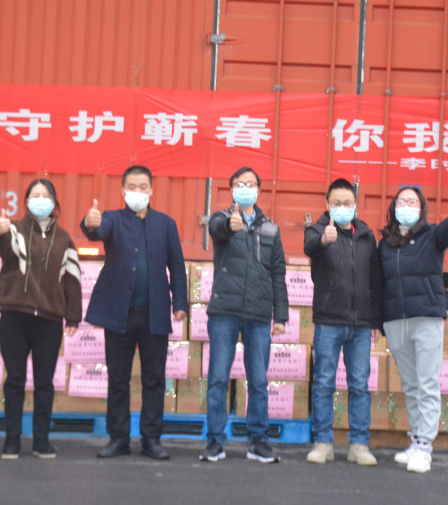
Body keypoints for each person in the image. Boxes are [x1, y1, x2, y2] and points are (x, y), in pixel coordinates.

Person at [81, 165, 188, 460]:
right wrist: (90, 223)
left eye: (143, 187)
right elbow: (96, 231)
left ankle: (151, 439)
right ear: (123, 191)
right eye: (132, 187)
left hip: (154, 315)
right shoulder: (112, 219)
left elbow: (177, 266)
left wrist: (180, 303)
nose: (137, 192)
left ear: (151, 190)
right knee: (118, 380)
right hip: (120, 314)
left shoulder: (166, 224)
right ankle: (118, 439)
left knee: (154, 380)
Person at [378, 186, 448, 474]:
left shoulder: (432, 236)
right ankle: (416, 439)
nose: (406, 206)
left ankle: (425, 446)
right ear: (393, 207)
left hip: (426, 319)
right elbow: (379, 283)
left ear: (421, 208)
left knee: (427, 383)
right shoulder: (385, 243)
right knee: (410, 385)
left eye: (412, 202)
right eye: (401, 201)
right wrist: (378, 321)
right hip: (395, 321)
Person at [0, 179, 82, 460]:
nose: (40, 200)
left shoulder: (64, 238)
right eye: (35, 195)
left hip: (49, 321)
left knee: (44, 382)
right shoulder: (14, 229)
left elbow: (72, 278)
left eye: (46, 195)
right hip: (14, 317)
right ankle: (12, 440)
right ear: (27, 201)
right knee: (15, 379)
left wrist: (73, 316)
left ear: (54, 202)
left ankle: (42, 441)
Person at [201, 167, 288, 464]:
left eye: (251, 184)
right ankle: (215, 440)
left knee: (259, 380)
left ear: (259, 190)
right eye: (240, 184)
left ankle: (258, 440)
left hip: (259, 314)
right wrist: (230, 225)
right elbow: (217, 230)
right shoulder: (222, 218)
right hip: (224, 311)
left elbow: (278, 273)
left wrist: (281, 316)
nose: (246, 188)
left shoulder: (271, 228)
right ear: (231, 189)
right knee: (218, 378)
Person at [303, 178, 382, 466]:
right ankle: (323, 443)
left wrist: (375, 319)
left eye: (347, 203)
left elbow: (375, 280)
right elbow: (310, 247)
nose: (342, 207)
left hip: (360, 324)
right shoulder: (317, 230)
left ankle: (359, 444)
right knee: (324, 383)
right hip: (328, 321)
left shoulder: (366, 236)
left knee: (359, 385)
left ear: (355, 204)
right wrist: (324, 239)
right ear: (328, 204)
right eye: (336, 203)